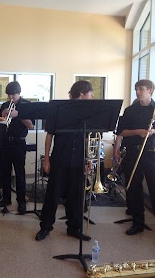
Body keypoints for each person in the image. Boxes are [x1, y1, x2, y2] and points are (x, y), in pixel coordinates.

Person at [113, 79, 155, 242]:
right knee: (133, 190)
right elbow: (121, 132)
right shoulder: (130, 111)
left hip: (152, 154)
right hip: (133, 154)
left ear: (150, 90)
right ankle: (138, 223)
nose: (137, 92)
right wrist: (138, 132)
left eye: (141, 89)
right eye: (136, 89)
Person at [35, 80, 94, 242]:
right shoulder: (59, 109)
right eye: (90, 93)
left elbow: (88, 137)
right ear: (82, 93)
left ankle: (74, 228)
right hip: (60, 157)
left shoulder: (88, 112)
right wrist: (47, 159)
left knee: (76, 195)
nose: (92, 97)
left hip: (79, 159)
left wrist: (89, 158)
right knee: (52, 195)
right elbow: (49, 136)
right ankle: (45, 227)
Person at [0, 81, 34, 213]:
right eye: (9, 95)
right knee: (4, 172)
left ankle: (21, 201)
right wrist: (3, 116)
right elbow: (1, 124)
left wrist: (18, 115)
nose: (11, 98)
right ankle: (6, 198)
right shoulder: (5, 105)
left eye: (14, 95)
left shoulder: (27, 105)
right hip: (5, 141)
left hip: (19, 142)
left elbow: (31, 126)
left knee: (19, 173)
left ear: (19, 93)